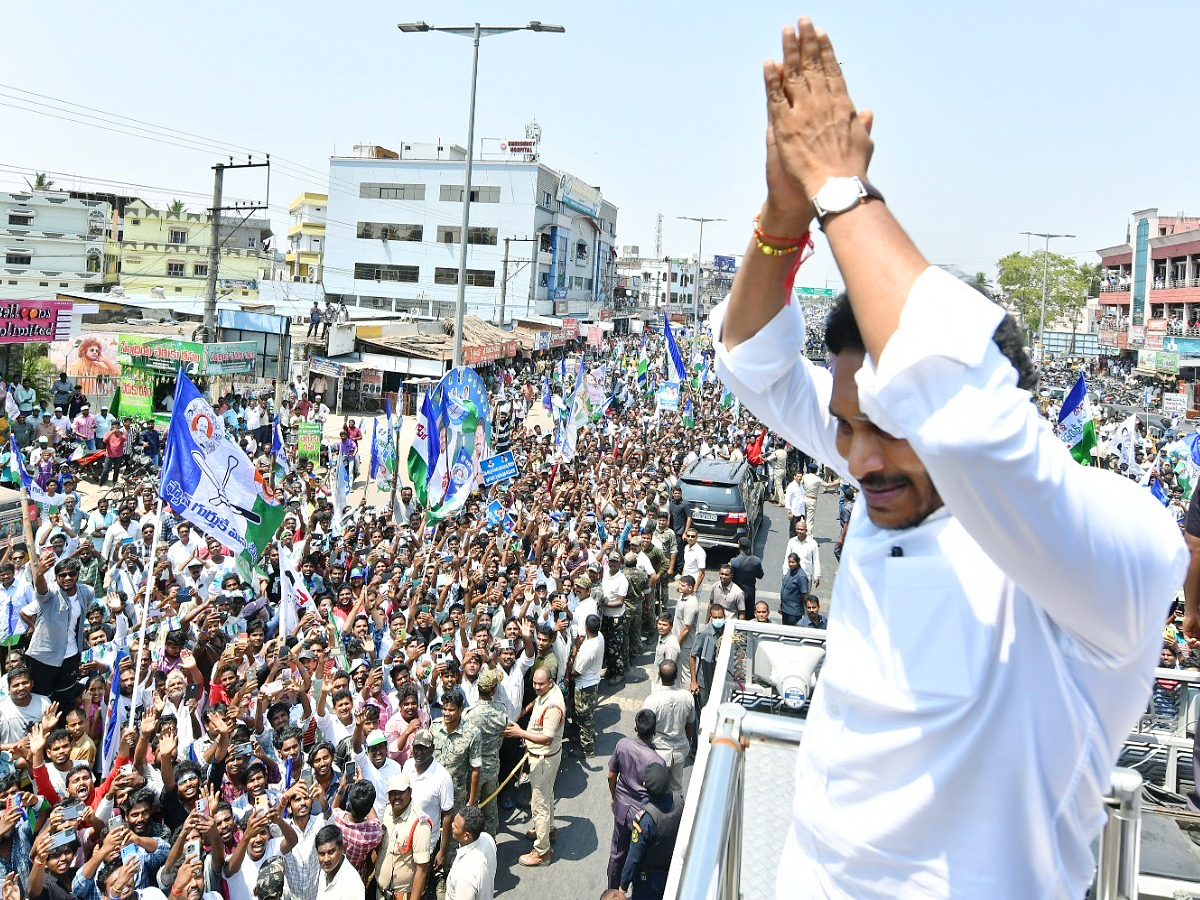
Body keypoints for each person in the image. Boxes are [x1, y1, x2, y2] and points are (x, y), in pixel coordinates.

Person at [711, 17, 1186, 899]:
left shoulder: (1113, 539)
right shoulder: (886, 465)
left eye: (887, 418)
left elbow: (966, 429)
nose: (853, 454)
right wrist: (783, 216)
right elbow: (753, 363)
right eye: (847, 423)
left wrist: (843, 191)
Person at [503, 666, 564, 867]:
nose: (537, 687)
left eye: (541, 684)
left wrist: (521, 733)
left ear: (550, 682)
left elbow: (546, 738)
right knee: (547, 796)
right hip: (541, 755)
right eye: (535, 683)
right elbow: (537, 707)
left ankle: (542, 851)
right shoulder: (546, 694)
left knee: (539, 804)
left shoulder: (554, 706)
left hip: (544, 758)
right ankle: (548, 830)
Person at [607, 708, 663, 891]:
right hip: (642, 815)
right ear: (654, 731)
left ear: (635, 727)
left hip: (622, 808)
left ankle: (613, 891)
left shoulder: (622, 745)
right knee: (639, 856)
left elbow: (611, 775)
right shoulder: (658, 761)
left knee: (617, 854)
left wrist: (614, 796)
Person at [620, 762, 684, 900]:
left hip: (650, 878)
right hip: (672, 867)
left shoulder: (645, 819)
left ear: (644, 786)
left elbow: (634, 856)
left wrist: (623, 885)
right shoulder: (679, 800)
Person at [375, 774, 433, 900]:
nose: (396, 797)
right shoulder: (388, 812)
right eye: (392, 793)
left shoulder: (419, 823)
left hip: (402, 896)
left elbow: (422, 870)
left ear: (410, 792)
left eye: (400, 792)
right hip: (380, 893)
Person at [641, 660, 695, 792]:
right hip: (680, 748)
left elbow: (645, 729)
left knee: (656, 788)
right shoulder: (687, 697)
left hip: (659, 750)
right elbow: (690, 724)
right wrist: (687, 742)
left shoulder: (652, 701)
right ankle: (678, 811)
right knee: (677, 787)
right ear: (677, 676)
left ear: (659, 674)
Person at [443, 806, 495, 900]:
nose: (452, 825)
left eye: (456, 826)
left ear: (466, 836)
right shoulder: (487, 839)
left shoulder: (465, 874)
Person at [314, 824, 365, 900]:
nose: (326, 859)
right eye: (322, 854)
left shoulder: (352, 886)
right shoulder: (325, 870)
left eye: (331, 852)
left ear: (341, 848)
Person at [728, 537, 764, 619]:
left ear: (739, 546)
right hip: (750, 592)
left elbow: (730, 575)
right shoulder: (756, 561)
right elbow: (760, 575)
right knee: (749, 614)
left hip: (736, 591)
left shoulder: (734, 561)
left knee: (736, 613)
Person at [779, 553, 809, 626]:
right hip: (785, 609)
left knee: (792, 633)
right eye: (789, 562)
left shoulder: (801, 576)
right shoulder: (790, 571)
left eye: (793, 562)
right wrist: (781, 605)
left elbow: (804, 594)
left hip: (794, 612)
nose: (791, 564)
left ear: (798, 562)